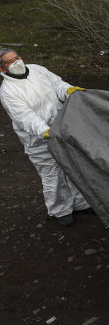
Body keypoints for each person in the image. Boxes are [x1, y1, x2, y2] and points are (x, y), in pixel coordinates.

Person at [0, 49, 89, 226]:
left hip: (62, 128)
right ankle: (60, 210)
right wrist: (44, 131)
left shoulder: (37, 69)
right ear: (2, 69)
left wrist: (68, 90)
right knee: (52, 174)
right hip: (39, 140)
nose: (16, 62)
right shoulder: (8, 92)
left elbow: (57, 85)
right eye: (9, 62)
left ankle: (80, 203)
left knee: (73, 166)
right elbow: (25, 117)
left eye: (17, 57)